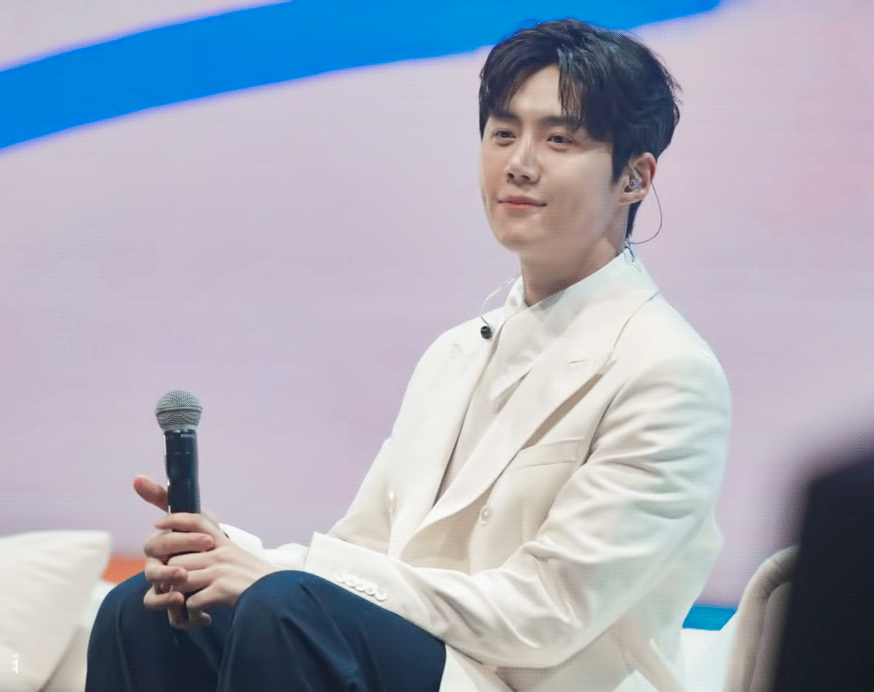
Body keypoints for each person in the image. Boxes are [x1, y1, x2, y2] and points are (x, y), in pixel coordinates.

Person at [87, 18, 731, 692]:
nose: (519, 162)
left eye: (559, 139)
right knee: (146, 609)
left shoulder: (667, 372)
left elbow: (544, 615)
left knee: (286, 610)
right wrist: (223, 552)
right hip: (422, 663)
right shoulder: (453, 355)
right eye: (503, 133)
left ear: (634, 177)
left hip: (525, 681)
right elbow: (358, 557)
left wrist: (279, 578)